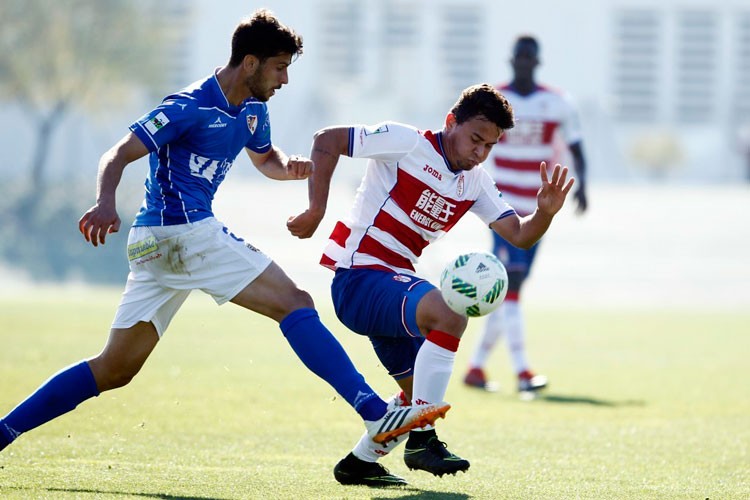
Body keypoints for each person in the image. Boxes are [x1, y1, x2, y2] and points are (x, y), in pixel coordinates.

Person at [0, 9, 450, 457]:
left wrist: (288, 170)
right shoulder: (187, 106)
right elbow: (117, 154)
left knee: (114, 368)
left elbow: (265, 159)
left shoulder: (253, 110)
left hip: (158, 246)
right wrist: (104, 201)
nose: (285, 81)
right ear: (250, 63)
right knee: (295, 303)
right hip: (183, 232)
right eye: (280, 68)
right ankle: (374, 411)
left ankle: (4, 431)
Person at [287, 83, 575, 486]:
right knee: (450, 312)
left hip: (394, 288)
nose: (480, 153)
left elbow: (521, 235)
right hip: (359, 279)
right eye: (475, 139)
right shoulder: (405, 142)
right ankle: (424, 440)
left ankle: (360, 462)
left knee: (416, 394)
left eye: (489, 146)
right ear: (450, 122)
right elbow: (327, 140)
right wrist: (316, 208)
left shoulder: (475, 182)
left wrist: (544, 213)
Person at [463, 35, 588, 395]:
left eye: (529, 58)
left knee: (507, 292)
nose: (523, 63)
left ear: (537, 62)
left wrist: (584, 185)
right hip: (502, 208)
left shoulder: (557, 102)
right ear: (511, 60)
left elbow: (578, 146)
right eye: (519, 57)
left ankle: (475, 368)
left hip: (540, 209)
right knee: (512, 288)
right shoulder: (498, 105)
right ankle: (522, 372)